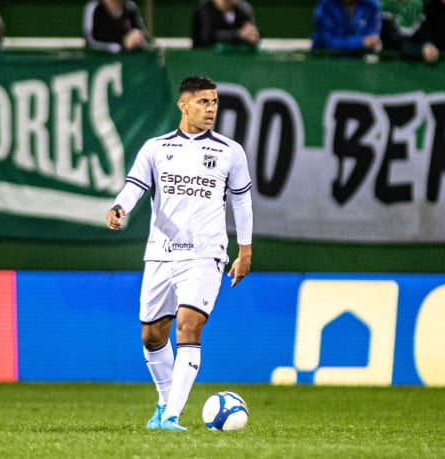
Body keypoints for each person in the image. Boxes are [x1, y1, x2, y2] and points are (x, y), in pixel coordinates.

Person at [106, 76, 253, 431]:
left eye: (215, 102)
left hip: (206, 254)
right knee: (153, 335)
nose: (211, 109)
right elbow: (134, 186)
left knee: (189, 325)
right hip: (160, 253)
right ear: (183, 105)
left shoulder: (229, 151)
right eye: (203, 102)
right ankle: (163, 404)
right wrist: (119, 207)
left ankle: (172, 416)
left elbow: (242, 200)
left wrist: (245, 249)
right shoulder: (156, 148)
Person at [311, 0, 383, 55]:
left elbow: (372, 39)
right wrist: (360, 42)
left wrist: (365, 42)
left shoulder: (371, 5)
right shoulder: (326, 5)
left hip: (359, 60)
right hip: (327, 59)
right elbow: (326, 41)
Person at [83, 0, 151, 53]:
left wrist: (139, 41)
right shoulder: (93, 8)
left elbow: (144, 38)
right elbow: (90, 41)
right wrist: (122, 46)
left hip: (129, 64)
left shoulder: (131, 8)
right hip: (100, 64)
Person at [191, 0, 260, 49]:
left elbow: (253, 36)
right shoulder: (203, 11)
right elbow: (204, 39)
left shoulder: (245, 9)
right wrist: (238, 35)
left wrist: (251, 35)